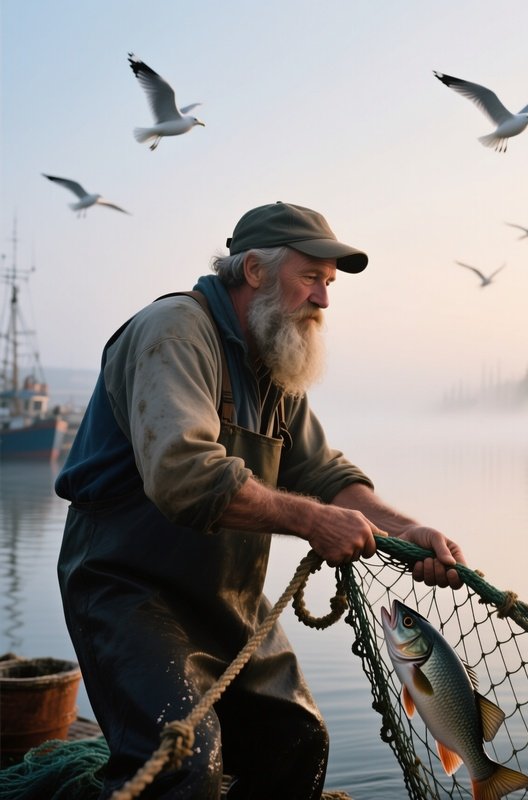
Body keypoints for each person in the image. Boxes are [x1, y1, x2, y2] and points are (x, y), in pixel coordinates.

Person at [55, 201, 466, 800]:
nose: (325, 300)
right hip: (128, 591)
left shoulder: (273, 360)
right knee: (184, 766)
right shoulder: (174, 331)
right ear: (253, 271)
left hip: (227, 600)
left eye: (329, 284)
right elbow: (185, 477)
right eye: (311, 278)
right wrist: (312, 520)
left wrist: (412, 532)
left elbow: (325, 475)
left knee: (297, 740)